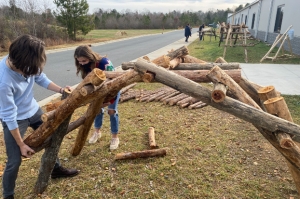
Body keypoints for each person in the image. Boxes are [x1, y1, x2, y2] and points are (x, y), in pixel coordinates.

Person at [0, 34, 79, 199]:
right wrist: (21, 144)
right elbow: (9, 115)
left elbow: (41, 78)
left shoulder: (25, 61)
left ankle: (55, 169)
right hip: (14, 119)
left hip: (33, 109)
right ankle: (8, 195)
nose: (32, 71)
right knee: (14, 161)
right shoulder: (4, 81)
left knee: (52, 137)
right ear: (20, 63)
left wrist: (60, 90)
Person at [74, 45, 121, 150]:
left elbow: (115, 82)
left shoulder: (104, 63)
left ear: (90, 57)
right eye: (79, 61)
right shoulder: (84, 65)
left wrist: (109, 100)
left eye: (84, 60)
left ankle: (115, 137)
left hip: (112, 90)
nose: (81, 63)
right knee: (97, 110)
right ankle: (97, 132)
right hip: (97, 92)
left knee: (112, 111)